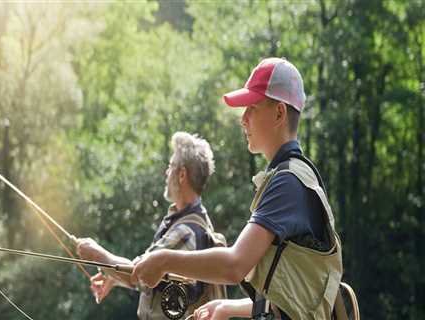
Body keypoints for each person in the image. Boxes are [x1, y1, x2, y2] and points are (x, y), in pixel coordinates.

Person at [131, 58, 343, 320]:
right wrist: (228, 307)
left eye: (251, 108)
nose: (243, 119)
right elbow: (295, 296)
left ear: (279, 113)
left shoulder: (287, 182)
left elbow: (234, 266)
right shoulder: (295, 175)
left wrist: (163, 260)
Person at [76, 131, 226, 320]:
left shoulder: (186, 232)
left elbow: (138, 274)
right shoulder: (187, 221)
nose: (166, 172)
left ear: (181, 174)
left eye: (170, 166)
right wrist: (113, 278)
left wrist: (97, 254)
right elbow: (155, 278)